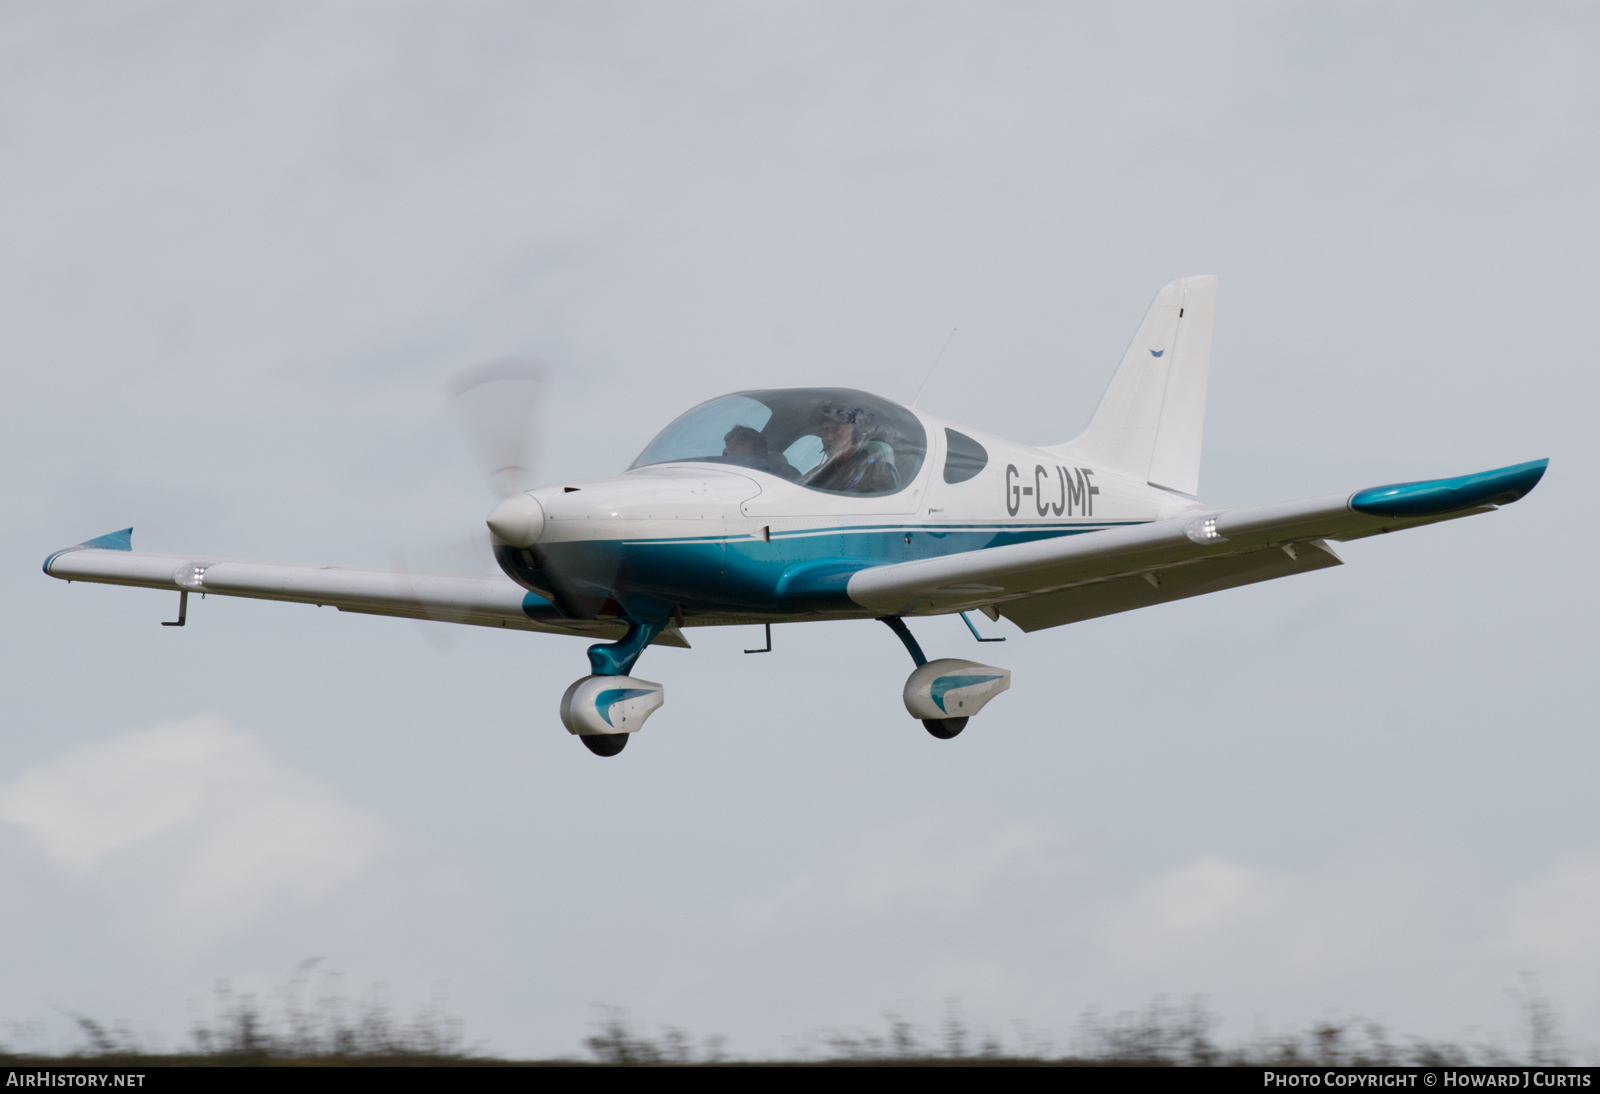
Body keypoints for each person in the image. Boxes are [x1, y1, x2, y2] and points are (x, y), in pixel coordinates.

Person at [801, 404, 899, 494]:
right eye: (825, 431)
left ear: (856, 434)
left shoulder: (877, 472)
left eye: (837, 430)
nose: (829, 437)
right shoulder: (817, 475)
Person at [722, 425, 800, 480]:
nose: (730, 448)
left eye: (740, 443)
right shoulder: (718, 476)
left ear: (758, 451)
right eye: (728, 444)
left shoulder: (786, 477)